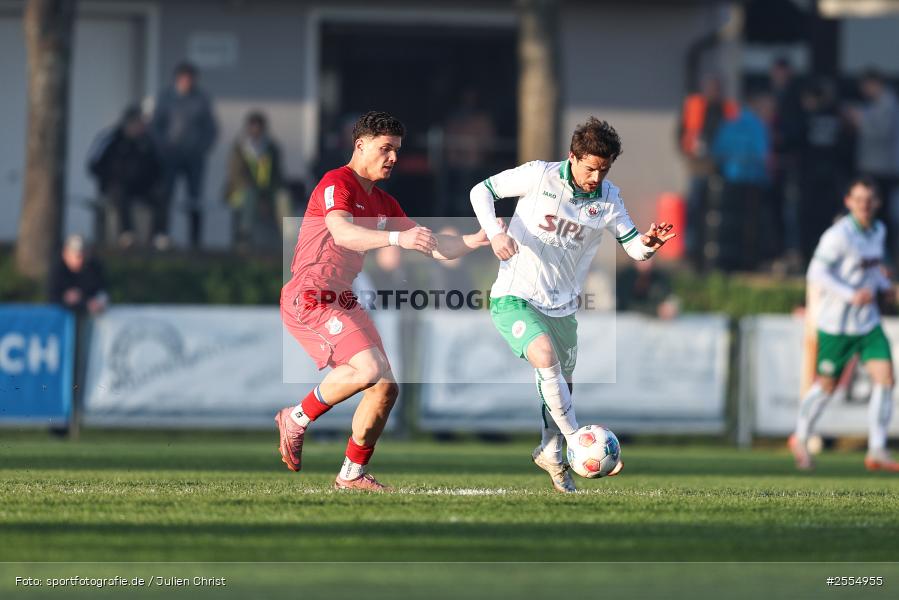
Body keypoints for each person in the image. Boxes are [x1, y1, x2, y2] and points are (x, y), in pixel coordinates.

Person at [276, 111, 491, 491]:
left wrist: (476, 240)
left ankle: (351, 475)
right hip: (309, 295)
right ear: (360, 145)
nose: (393, 157)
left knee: (385, 388)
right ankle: (295, 417)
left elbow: (435, 246)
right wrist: (395, 240)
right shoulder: (336, 182)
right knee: (369, 369)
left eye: (396, 150)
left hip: (341, 298)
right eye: (385, 148)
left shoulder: (384, 203)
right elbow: (341, 231)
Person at [470, 117, 676, 493]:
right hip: (515, 294)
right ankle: (579, 442)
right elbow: (480, 191)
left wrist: (649, 244)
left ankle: (551, 451)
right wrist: (497, 233)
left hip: (563, 307)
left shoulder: (610, 198)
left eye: (604, 169)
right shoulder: (538, 176)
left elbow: (634, 248)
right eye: (590, 168)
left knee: (561, 385)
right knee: (543, 356)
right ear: (573, 156)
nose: (596, 177)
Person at [789, 177, 899, 472]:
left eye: (869, 199)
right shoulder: (838, 235)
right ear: (849, 202)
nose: (864, 205)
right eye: (858, 199)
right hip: (837, 324)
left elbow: (871, 269)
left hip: (867, 322)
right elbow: (817, 273)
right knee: (826, 386)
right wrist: (851, 294)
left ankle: (876, 448)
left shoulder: (878, 230)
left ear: (876, 203)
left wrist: (884, 286)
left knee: (886, 378)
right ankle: (800, 437)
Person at [150, 61, 218, 250]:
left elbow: (210, 129)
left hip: (194, 158)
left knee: (194, 198)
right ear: (177, 79)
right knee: (165, 195)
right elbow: (156, 126)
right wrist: (163, 148)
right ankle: (161, 235)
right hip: (170, 157)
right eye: (184, 78)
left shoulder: (201, 100)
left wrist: (201, 148)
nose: (188, 82)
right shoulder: (165, 98)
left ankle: (195, 240)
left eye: (191, 79)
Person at [677, 74, 738, 268]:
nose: (714, 92)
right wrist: (690, 149)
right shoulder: (694, 106)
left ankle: (719, 252)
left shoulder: (727, 110)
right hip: (699, 167)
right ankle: (692, 250)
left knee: (719, 211)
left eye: (717, 88)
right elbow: (681, 134)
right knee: (696, 208)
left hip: (723, 168)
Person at [88, 106, 164, 248]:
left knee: (161, 195)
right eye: (137, 123)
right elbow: (93, 164)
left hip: (140, 187)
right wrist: (111, 178)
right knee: (120, 195)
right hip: (115, 185)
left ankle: (158, 236)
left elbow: (158, 166)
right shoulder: (110, 138)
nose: (141, 127)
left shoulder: (147, 141)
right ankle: (127, 234)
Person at [848, 69, 899, 257]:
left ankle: (886, 256)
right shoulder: (875, 104)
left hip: (883, 169)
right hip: (875, 167)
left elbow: (881, 132)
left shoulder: (888, 103)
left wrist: (859, 119)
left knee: (881, 214)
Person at [224, 111, 288, 250]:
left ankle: (289, 239)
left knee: (283, 198)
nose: (256, 130)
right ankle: (245, 236)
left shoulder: (271, 149)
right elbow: (236, 175)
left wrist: (268, 193)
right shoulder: (240, 148)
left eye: (259, 127)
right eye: (253, 127)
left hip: (267, 191)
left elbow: (277, 175)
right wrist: (257, 193)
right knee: (250, 196)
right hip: (241, 192)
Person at [48, 235, 108, 316]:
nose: (81, 259)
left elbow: (101, 290)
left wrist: (88, 301)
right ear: (66, 254)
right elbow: (52, 298)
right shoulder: (58, 270)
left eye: (83, 255)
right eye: (77, 256)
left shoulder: (93, 268)